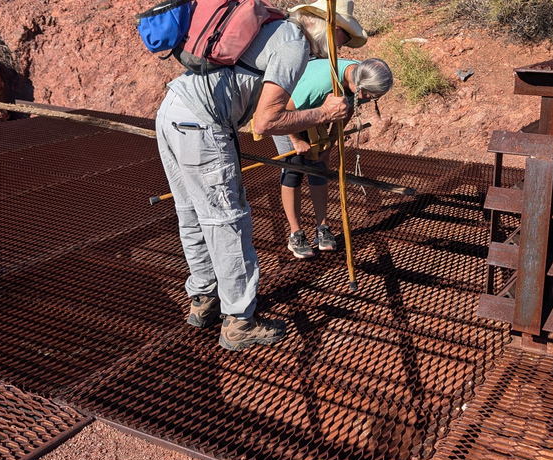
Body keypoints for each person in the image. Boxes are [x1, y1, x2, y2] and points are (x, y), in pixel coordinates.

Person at [155, 0, 367, 351]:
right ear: (328, 29)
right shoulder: (294, 44)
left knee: (191, 212)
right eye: (343, 38)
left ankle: (205, 298)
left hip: (173, 111)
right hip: (203, 125)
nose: (341, 47)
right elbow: (266, 122)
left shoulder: (274, 30)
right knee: (228, 220)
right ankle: (239, 321)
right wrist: (324, 113)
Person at [273, 57, 393, 258]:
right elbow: (284, 111)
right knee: (294, 170)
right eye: (371, 96)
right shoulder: (321, 85)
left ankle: (322, 228)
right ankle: (295, 234)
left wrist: (331, 142)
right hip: (286, 115)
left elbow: (348, 108)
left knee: (319, 168)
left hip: (316, 112)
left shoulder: (362, 82)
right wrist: (296, 140)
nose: (371, 98)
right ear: (361, 88)